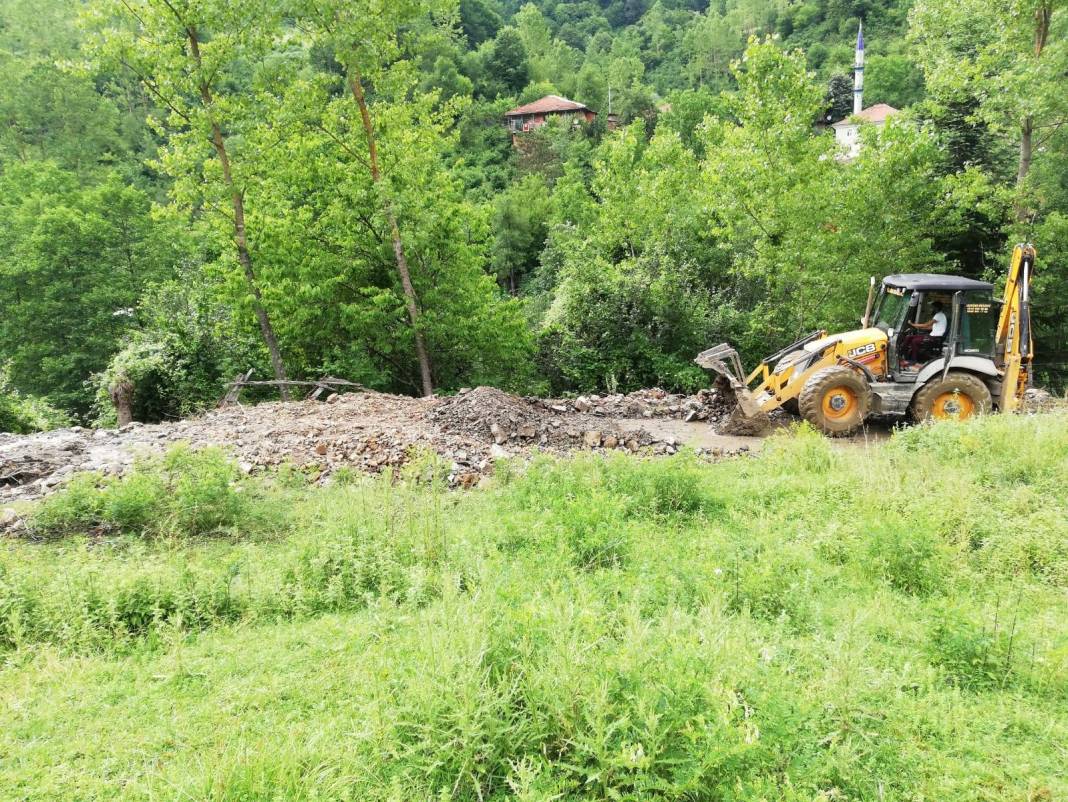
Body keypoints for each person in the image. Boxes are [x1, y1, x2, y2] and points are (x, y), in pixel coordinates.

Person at [902, 301, 947, 365]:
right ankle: (904, 355)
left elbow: (926, 324)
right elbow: (931, 328)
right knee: (909, 337)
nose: (931, 309)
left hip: (935, 338)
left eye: (932, 307)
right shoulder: (940, 315)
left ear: (936, 308)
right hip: (932, 336)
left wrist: (912, 324)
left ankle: (913, 360)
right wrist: (919, 328)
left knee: (914, 341)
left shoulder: (939, 315)